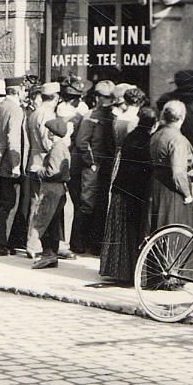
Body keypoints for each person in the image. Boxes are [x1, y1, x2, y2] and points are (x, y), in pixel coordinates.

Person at [102, 105, 157, 285]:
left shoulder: (130, 137)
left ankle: (117, 270)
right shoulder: (147, 140)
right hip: (135, 191)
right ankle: (131, 271)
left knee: (120, 232)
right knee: (132, 232)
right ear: (153, 123)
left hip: (121, 187)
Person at [71, 79, 118, 255]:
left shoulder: (111, 116)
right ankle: (78, 243)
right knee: (87, 203)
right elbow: (82, 142)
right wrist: (90, 163)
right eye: (105, 97)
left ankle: (95, 244)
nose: (108, 101)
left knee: (101, 204)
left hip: (106, 165)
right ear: (98, 97)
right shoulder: (90, 116)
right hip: (94, 166)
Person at [28, 117, 74, 269]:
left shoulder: (56, 148)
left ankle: (48, 254)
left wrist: (38, 170)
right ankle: (51, 255)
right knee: (54, 224)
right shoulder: (62, 147)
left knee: (45, 222)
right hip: (59, 190)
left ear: (52, 134)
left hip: (51, 190)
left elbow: (52, 172)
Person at [0, 79, 27, 257]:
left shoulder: (0, 106)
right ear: (18, 90)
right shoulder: (16, 109)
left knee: (4, 201)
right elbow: (13, 138)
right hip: (10, 163)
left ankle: (3, 241)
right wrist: (16, 164)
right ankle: (1, 243)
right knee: (11, 203)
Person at [150, 100, 193, 231]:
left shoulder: (157, 134)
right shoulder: (178, 139)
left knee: (158, 228)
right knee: (175, 228)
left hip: (156, 185)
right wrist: (187, 195)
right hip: (172, 191)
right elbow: (178, 173)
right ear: (182, 117)